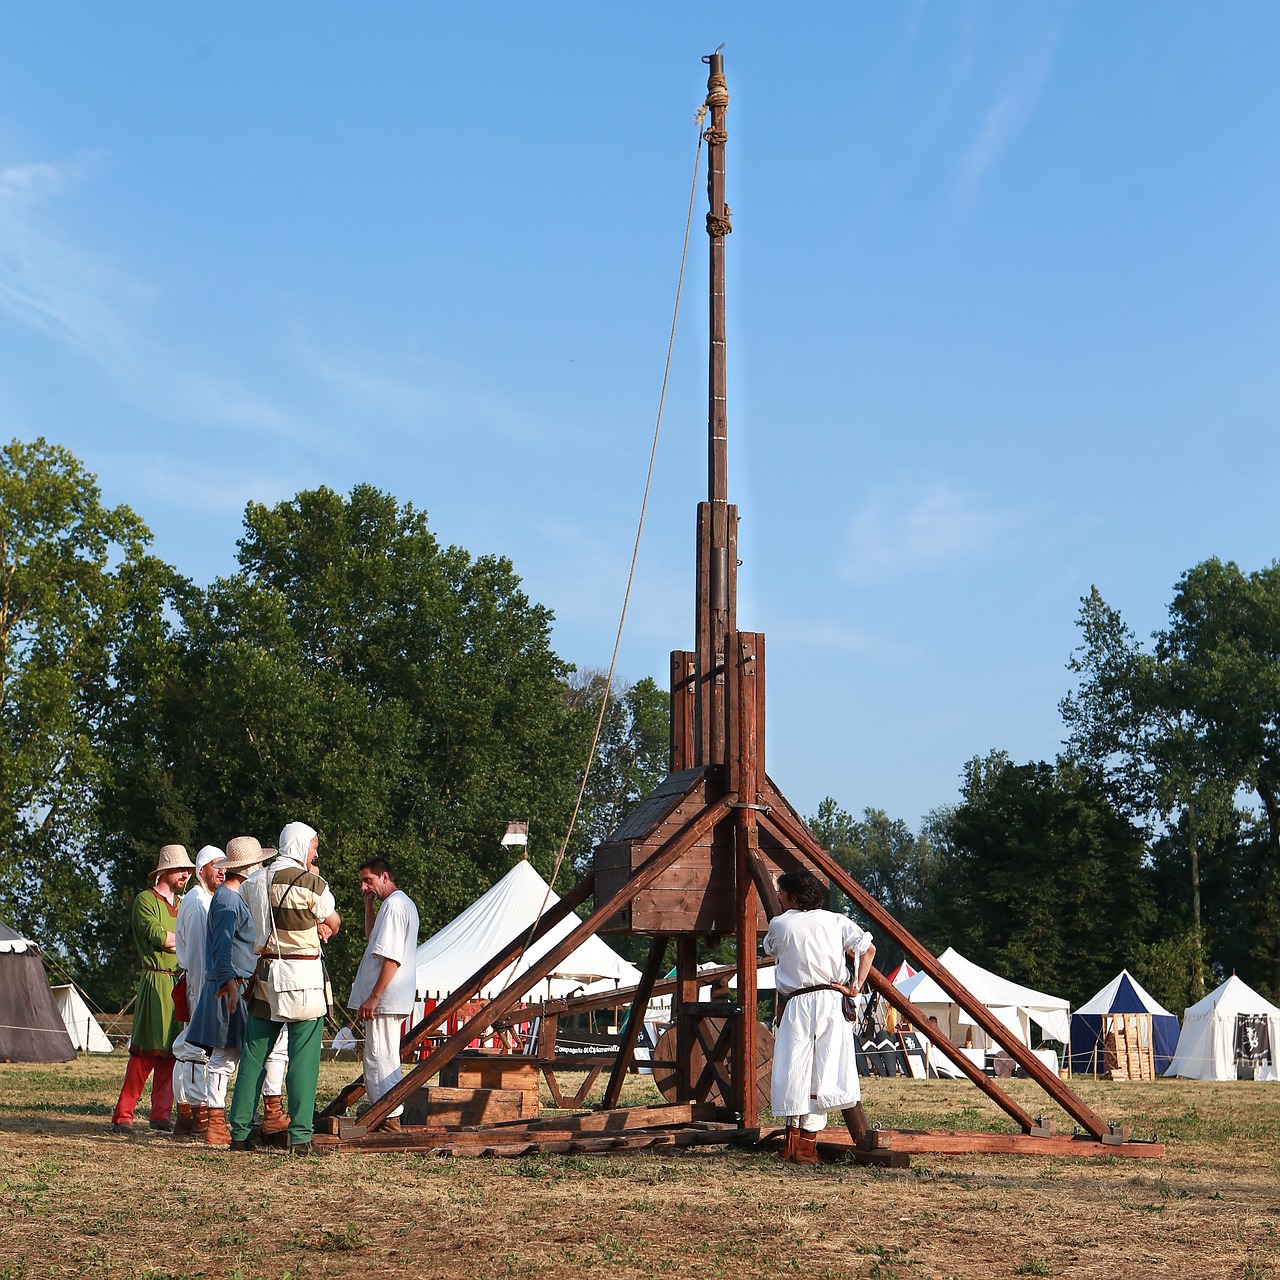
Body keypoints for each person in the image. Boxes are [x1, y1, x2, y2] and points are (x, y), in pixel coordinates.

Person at [228, 821, 341, 1155]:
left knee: (253, 1056)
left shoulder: (254, 882)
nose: (315, 852)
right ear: (300, 845)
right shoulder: (313, 884)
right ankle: (302, 1137)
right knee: (302, 1057)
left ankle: (239, 1132)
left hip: (265, 974)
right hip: (303, 976)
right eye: (313, 846)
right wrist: (320, 924)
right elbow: (333, 921)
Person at [762, 868, 876, 1165]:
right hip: (831, 999)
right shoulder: (836, 920)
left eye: (781, 892)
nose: (777, 896)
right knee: (822, 1072)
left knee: (793, 1069)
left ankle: (795, 1143)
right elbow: (869, 948)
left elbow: (770, 949)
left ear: (793, 897)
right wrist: (856, 987)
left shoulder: (779, 924)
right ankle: (805, 1147)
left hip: (799, 1002)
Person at [186, 836, 271, 1147]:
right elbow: (222, 952)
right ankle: (216, 1122)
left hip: (235, 985)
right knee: (224, 1055)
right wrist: (232, 987)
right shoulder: (227, 901)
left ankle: (224, 1120)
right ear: (248, 867)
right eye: (259, 862)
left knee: (231, 1054)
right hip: (230, 988)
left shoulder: (230, 899)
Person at [111, 844, 196, 1134]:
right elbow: (158, 936)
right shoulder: (145, 901)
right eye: (181, 869)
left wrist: (182, 939)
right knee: (146, 1051)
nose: (186, 874)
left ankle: (160, 1113)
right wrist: (184, 939)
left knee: (173, 1052)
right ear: (166, 871)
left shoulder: (185, 903)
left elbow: (185, 937)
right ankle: (123, 1115)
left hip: (180, 981)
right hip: (156, 980)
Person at [348, 857, 419, 1133]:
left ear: (384, 876)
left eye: (369, 880)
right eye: (362, 882)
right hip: (389, 997)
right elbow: (372, 938)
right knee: (381, 1054)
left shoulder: (394, 906)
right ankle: (384, 1111)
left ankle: (388, 1117)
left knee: (380, 1056)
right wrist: (368, 905)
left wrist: (374, 997)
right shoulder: (399, 905)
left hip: (386, 998)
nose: (365, 886)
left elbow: (391, 958)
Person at [170, 845, 225, 1141]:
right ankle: (196, 1113)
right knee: (194, 1047)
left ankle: (188, 1115)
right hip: (199, 983)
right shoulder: (196, 902)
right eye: (216, 865)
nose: (222, 870)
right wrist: (205, 992)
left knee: (194, 1047)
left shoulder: (206, 899)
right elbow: (197, 955)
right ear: (200, 869)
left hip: (202, 982)